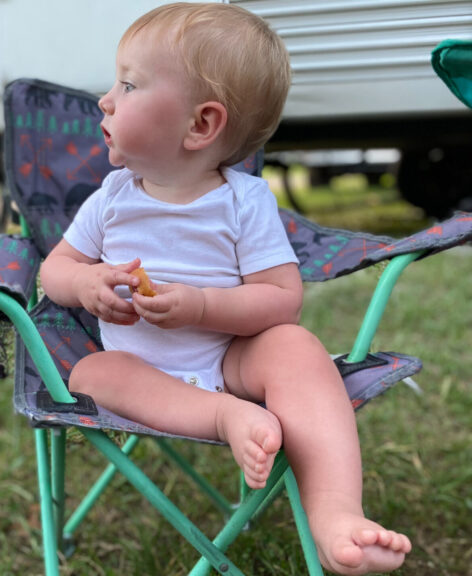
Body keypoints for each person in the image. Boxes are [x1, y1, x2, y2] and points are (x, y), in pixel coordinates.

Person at [39, 3, 412, 574]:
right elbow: (53, 270)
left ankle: (338, 514)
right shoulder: (112, 197)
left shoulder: (244, 201)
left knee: (295, 347)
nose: (105, 100)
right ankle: (222, 418)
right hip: (139, 369)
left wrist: (201, 306)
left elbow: (280, 298)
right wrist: (86, 282)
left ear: (200, 126)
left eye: (129, 83)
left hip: (229, 358)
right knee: (90, 374)